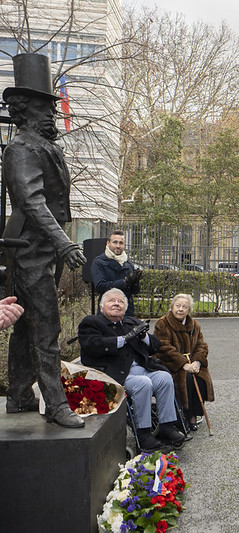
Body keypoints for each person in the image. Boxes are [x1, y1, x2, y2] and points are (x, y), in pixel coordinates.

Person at [2, 54, 87, 428]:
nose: (51, 113)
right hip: (28, 251)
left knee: (26, 326)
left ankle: (19, 395)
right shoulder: (21, 148)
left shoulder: (45, 145)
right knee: (46, 326)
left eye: (51, 106)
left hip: (41, 250)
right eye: (42, 107)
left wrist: (58, 244)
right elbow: (32, 201)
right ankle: (55, 404)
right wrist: (64, 242)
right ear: (24, 110)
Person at [79, 289, 185, 450]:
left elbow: (156, 346)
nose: (116, 303)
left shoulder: (130, 322)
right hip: (113, 374)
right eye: (111, 300)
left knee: (164, 377)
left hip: (141, 369)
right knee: (143, 383)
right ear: (102, 307)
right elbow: (93, 345)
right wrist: (124, 339)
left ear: (125, 307)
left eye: (120, 301)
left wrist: (144, 337)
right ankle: (144, 434)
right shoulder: (92, 322)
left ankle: (167, 427)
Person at [154, 294, 214, 430]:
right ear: (172, 306)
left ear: (189, 310)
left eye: (184, 307)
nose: (180, 309)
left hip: (191, 362)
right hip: (169, 363)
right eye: (178, 306)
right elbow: (163, 347)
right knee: (186, 378)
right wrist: (183, 364)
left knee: (200, 376)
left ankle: (194, 413)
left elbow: (201, 345)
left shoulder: (194, 325)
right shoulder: (162, 323)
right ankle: (185, 414)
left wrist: (197, 362)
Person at [91, 230, 141, 316]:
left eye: (121, 243)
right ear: (108, 243)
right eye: (115, 242)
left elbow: (135, 292)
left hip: (127, 311)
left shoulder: (129, 265)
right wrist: (124, 282)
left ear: (124, 245)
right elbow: (100, 287)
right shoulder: (99, 262)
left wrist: (136, 282)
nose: (118, 246)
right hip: (107, 310)